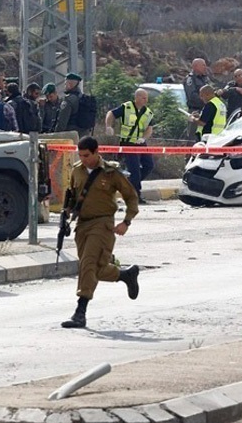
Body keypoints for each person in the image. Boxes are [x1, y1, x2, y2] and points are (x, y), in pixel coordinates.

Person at [60, 136, 141, 329]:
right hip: (82, 225)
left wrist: (126, 222)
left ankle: (80, 312)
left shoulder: (111, 172)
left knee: (88, 264)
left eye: (87, 155)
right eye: (80, 155)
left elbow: (131, 197)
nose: (83, 159)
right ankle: (125, 275)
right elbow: (72, 196)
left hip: (103, 223)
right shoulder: (77, 171)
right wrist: (67, 212)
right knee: (93, 269)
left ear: (96, 152)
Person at [105, 88, 155, 203]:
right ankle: (135, 196)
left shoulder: (148, 112)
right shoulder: (126, 107)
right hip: (127, 143)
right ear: (137, 97)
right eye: (143, 98)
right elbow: (111, 114)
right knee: (135, 169)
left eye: (146, 98)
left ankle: (129, 182)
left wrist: (143, 138)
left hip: (140, 143)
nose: (146, 100)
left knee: (149, 165)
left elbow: (149, 129)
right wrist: (108, 126)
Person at [183, 58, 210, 138]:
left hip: (205, 110)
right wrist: (205, 100)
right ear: (195, 66)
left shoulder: (205, 78)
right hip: (195, 110)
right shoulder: (190, 79)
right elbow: (192, 95)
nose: (205, 67)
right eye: (203, 65)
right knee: (193, 135)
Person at [55, 72, 87, 137]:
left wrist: (55, 135)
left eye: (65, 84)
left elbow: (62, 123)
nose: (65, 86)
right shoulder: (84, 98)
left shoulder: (68, 100)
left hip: (71, 136)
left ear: (70, 84)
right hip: (84, 135)